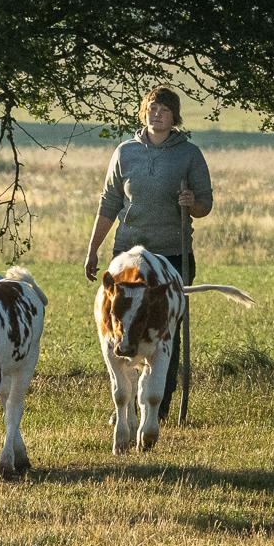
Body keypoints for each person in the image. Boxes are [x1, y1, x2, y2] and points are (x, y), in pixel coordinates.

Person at [84, 84, 214, 418]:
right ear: (144, 112)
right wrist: (93, 249)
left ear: (174, 117)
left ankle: (157, 408)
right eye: (152, 108)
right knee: (120, 325)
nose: (157, 115)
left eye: (164, 110)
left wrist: (192, 204)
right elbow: (110, 201)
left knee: (164, 332)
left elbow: (205, 203)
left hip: (171, 253)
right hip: (127, 254)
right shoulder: (125, 152)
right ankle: (123, 404)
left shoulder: (189, 155)